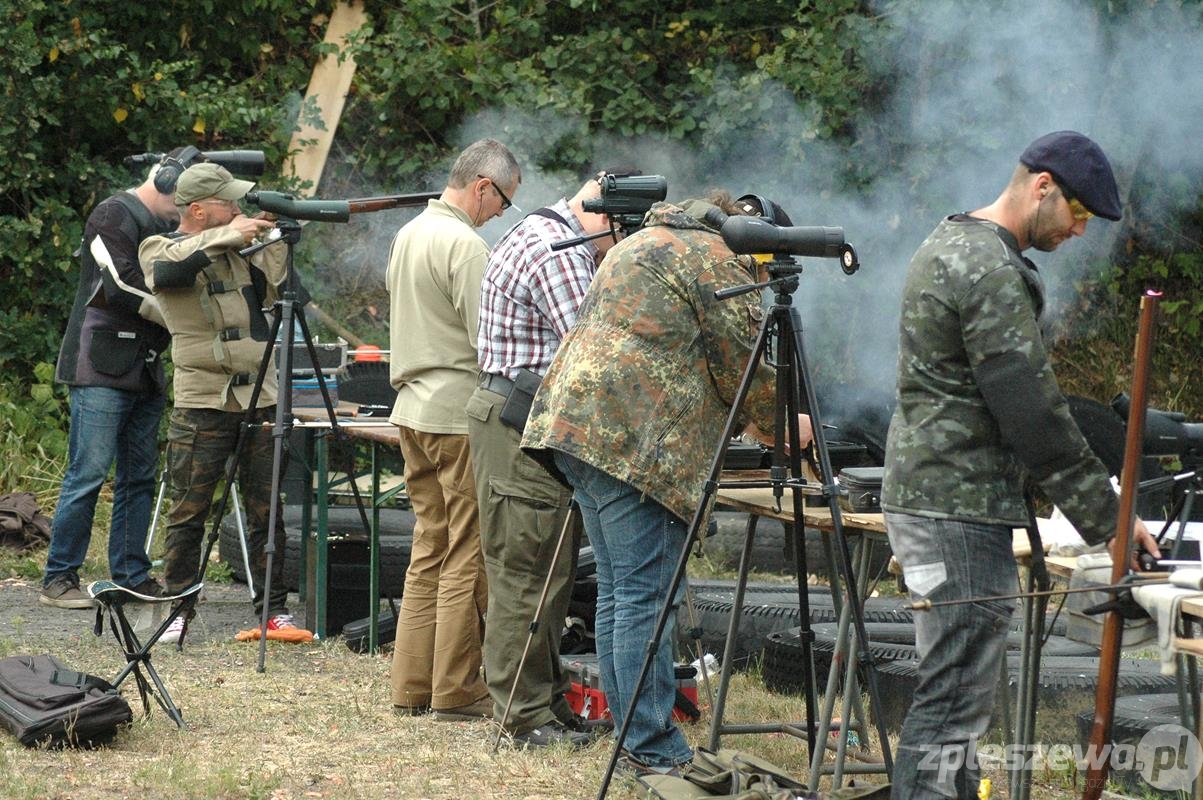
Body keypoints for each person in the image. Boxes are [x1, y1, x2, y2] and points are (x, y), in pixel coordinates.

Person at [881, 130, 1161, 798]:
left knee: (950, 689)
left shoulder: (946, 240)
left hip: (923, 497)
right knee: (952, 703)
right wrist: (1110, 519)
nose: (1078, 231)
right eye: (1079, 214)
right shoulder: (988, 268)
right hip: (956, 509)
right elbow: (1031, 411)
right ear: (1042, 188)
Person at [522, 191, 812, 774]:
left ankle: (633, 736)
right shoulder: (715, 260)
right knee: (643, 600)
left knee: (619, 593)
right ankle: (649, 747)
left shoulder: (649, 241)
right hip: (632, 443)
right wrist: (789, 426)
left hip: (578, 429)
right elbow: (744, 367)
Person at [467, 172, 625, 748]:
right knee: (526, 572)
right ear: (604, 217)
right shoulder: (559, 253)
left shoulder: (547, 232)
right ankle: (522, 715)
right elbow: (592, 345)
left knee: (547, 571)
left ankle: (545, 701)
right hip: (517, 422)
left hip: (523, 420)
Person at [386, 138, 521, 720]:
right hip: (455, 416)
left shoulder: (409, 233)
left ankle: (412, 684)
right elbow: (488, 343)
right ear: (483, 186)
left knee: (429, 548)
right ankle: (457, 690)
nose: (500, 215)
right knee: (468, 553)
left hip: (412, 411)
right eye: (504, 202)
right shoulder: (466, 247)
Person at [138, 162, 301, 643]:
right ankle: (177, 608)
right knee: (188, 511)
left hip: (260, 397)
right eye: (228, 202)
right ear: (198, 210)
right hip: (203, 400)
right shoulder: (159, 247)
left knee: (266, 511)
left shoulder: (240, 249)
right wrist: (229, 234)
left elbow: (288, 293)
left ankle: (273, 611)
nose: (237, 209)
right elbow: (169, 272)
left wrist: (279, 244)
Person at [41, 151, 196, 609]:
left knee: (139, 478)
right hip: (100, 365)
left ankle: (131, 576)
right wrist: (182, 317)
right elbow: (121, 282)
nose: (184, 215)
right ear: (166, 182)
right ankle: (58, 579)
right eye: (182, 203)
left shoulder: (161, 224)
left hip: (144, 365)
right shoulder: (113, 213)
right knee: (87, 476)